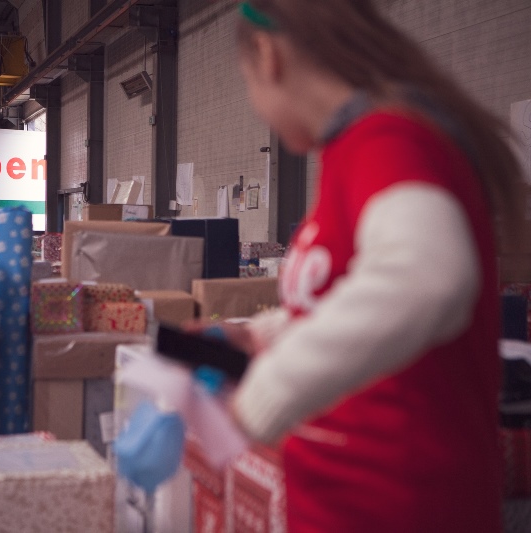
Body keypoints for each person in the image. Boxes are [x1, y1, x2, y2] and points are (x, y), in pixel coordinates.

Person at [199, 1, 528, 531]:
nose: (256, 105)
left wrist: (267, 393)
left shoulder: (389, 138)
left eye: (245, 81)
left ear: (267, 55)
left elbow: (426, 279)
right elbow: (354, 297)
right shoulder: (350, 152)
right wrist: (262, 336)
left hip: (403, 508)